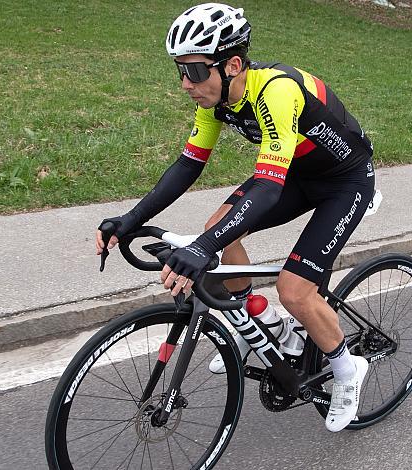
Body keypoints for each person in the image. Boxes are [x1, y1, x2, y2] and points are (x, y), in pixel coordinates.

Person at [95, 3, 375, 432]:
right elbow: (188, 165)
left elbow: (267, 188)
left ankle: (346, 368)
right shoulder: (216, 99)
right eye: (180, 71)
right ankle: (264, 328)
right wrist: (130, 219)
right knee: (217, 228)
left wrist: (201, 250)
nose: (185, 84)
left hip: (344, 182)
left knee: (295, 290)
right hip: (296, 174)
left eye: (194, 71)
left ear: (233, 64)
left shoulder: (277, 91)